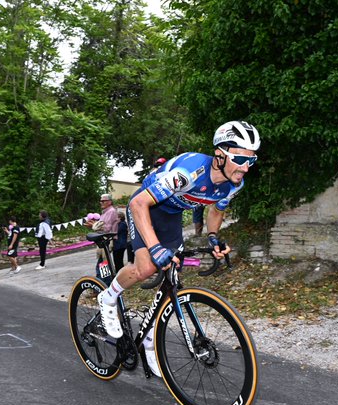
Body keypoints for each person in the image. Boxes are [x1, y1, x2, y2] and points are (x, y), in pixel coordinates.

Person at [96, 120, 260, 377]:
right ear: (220, 154)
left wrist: (214, 236)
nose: (246, 167)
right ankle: (108, 296)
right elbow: (139, 204)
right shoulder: (189, 172)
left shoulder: (234, 183)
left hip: (171, 215)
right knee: (147, 266)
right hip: (145, 205)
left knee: (172, 276)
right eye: (240, 158)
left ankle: (150, 342)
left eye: (251, 160)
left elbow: (216, 210)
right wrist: (155, 247)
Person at [85, 194, 119, 281]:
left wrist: (94, 225)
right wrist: (94, 225)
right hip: (102, 241)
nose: (101, 202)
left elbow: (106, 228)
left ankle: (103, 285)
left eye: (103, 201)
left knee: (103, 264)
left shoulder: (111, 211)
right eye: (100, 201)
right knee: (103, 264)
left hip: (107, 241)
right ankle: (103, 284)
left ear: (109, 202)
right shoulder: (105, 212)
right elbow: (100, 227)